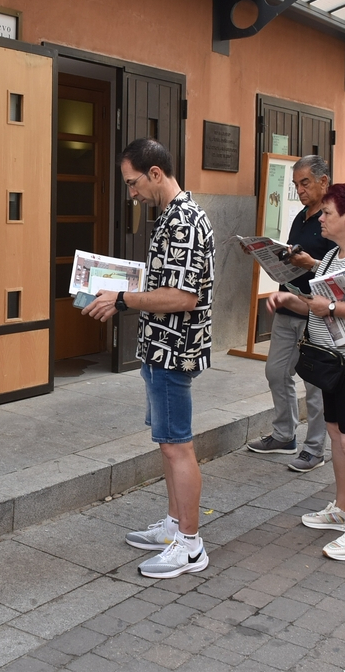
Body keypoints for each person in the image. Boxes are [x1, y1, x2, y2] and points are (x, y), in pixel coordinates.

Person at [84, 138, 214, 579]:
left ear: (155, 173)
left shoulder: (184, 222)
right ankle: (175, 526)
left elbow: (182, 297)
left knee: (178, 446)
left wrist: (121, 298)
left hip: (173, 348)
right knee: (167, 442)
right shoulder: (173, 218)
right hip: (161, 345)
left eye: (133, 182)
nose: (131, 193)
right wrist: (120, 287)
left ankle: (190, 546)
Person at [267, 183, 345, 561]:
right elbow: (320, 305)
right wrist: (294, 299)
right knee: (338, 436)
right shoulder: (333, 256)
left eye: (327, 213)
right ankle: (343, 508)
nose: (319, 218)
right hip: (334, 363)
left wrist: (332, 309)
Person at [246, 155, 336, 473]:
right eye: (296, 184)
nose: (299, 189)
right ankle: (285, 436)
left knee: (314, 384)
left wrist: (310, 263)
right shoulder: (301, 217)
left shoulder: (335, 217)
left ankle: (315, 449)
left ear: (324, 182)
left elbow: (344, 267)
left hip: (318, 309)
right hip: (289, 304)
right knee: (276, 372)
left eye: (305, 183)